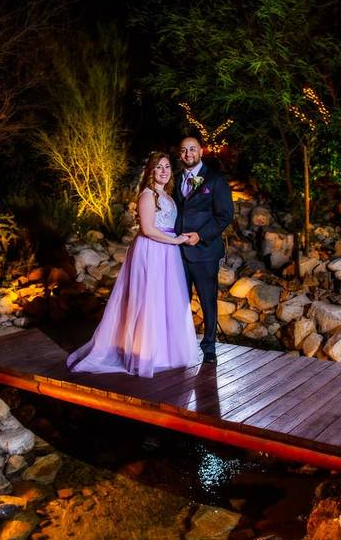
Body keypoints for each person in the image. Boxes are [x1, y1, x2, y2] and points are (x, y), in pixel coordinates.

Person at [66, 152, 203, 377]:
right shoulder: (147, 195)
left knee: (167, 299)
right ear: (151, 171)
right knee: (149, 298)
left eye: (167, 167)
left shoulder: (166, 195)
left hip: (168, 250)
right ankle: (147, 353)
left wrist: (181, 236)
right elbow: (148, 230)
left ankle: (166, 352)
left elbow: (168, 223)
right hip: (152, 249)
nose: (164, 171)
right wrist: (175, 240)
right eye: (159, 167)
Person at [174, 136, 234, 364]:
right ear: (180, 154)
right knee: (180, 299)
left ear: (201, 151)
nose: (188, 153)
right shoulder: (177, 179)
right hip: (178, 252)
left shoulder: (216, 180)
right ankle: (180, 344)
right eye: (183, 150)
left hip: (204, 251)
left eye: (192, 149)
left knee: (208, 299)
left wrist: (200, 235)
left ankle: (209, 347)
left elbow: (225, 215)